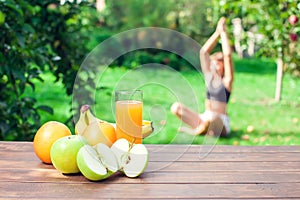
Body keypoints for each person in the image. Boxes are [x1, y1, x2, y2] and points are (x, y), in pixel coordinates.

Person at [171, 17, 234, 137]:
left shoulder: (227, 82)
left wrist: (224, 34)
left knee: (214, 119)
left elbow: (228, 56)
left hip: (220, 121)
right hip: (205, 117)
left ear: (223, 68)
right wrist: (217, 33)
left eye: (219, 64)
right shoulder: (209, 79)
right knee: (176, 107)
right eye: (214, 62)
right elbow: (203, 53)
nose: (215, 65)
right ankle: (204, 129)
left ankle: (198, 131)